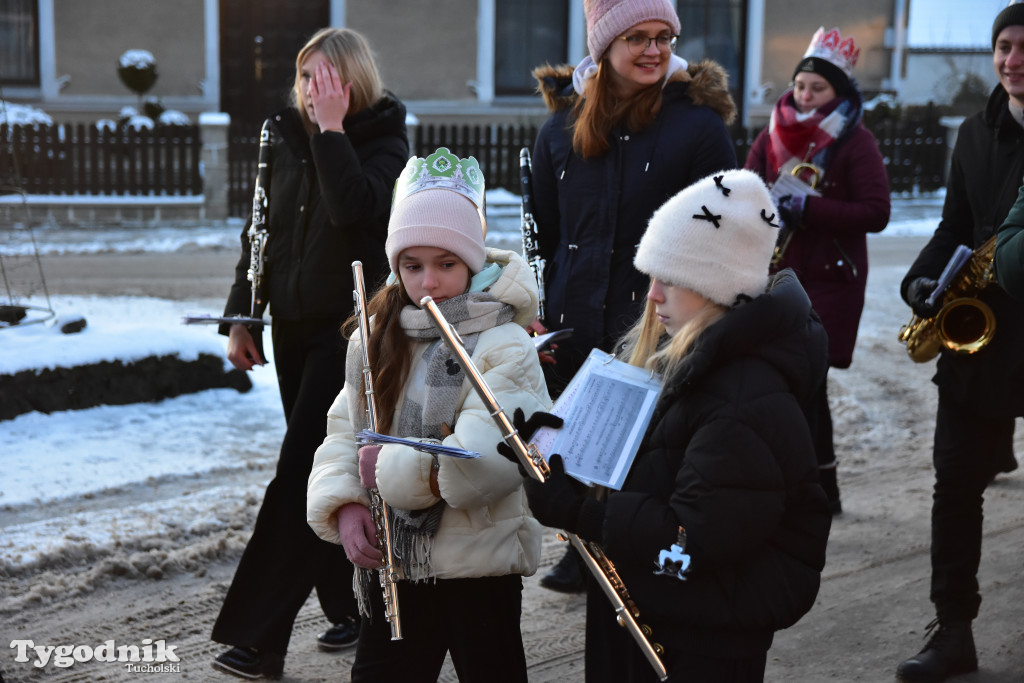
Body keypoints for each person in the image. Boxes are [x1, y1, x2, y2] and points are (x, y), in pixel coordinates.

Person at [504, 169, 832, 682]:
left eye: (669, 279)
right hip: (654, 611)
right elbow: (652, 473)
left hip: (700, 639)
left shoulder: (744, 400)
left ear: (716, 286)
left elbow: (690, 541)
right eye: (651, 275)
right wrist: (557, 450)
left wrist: (579, 512)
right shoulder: (685, 363)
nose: (651, 295)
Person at [306, 148, 550, 682]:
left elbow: (487, 460)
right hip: (398, 561)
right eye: (412, 267)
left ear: (474, 264)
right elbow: (345, 432)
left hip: (479, 565)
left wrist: (388, 471)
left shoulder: (504, 342)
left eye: (446, 264)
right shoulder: (378, 336)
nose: (429, 283)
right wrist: (346, 504)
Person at [210, 27, 409, 680]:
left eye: (323, 80)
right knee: (325, 463)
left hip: (348, 330)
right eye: (303, 79)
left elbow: (355, 213)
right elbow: (259, 228)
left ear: (351, 83)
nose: (309, 91)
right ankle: (348, 607)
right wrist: (244, 314)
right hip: (290, 327)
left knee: (298, 471)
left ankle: (259, 637)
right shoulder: (282, 135)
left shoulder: (384, 138)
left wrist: (331, 131)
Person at [529, 0, 738, 593]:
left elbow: (721, 232)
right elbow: (548, 234)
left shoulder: (697, 127)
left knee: (649, 453)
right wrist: (543, 313)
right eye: (638, 38)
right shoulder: (561, 129)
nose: (654, 50)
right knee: (586, 445)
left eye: (664, 36)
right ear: (604, 46)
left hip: (657, 321)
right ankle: (586, 544)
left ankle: (642, 553)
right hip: (577, 321)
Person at [896, 3, 1024, 681]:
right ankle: (954, 628)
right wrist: (921, 280)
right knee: (955, 481)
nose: (1013, 60)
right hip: (983, 338)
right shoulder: (976, 132)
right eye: (1003, 45)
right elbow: (954, 224)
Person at [744, 26, 891, 516]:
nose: (805, 96)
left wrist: (811, 209)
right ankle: (809, 487)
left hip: (829, 280)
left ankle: (816, 489)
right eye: (801, 85)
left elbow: (876, 212)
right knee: (783, 383)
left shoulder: (856, 141)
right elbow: (746, 189)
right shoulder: (772, 132)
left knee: (804, 382)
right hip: (776, 275)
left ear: (839, 92)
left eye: (818, 88)